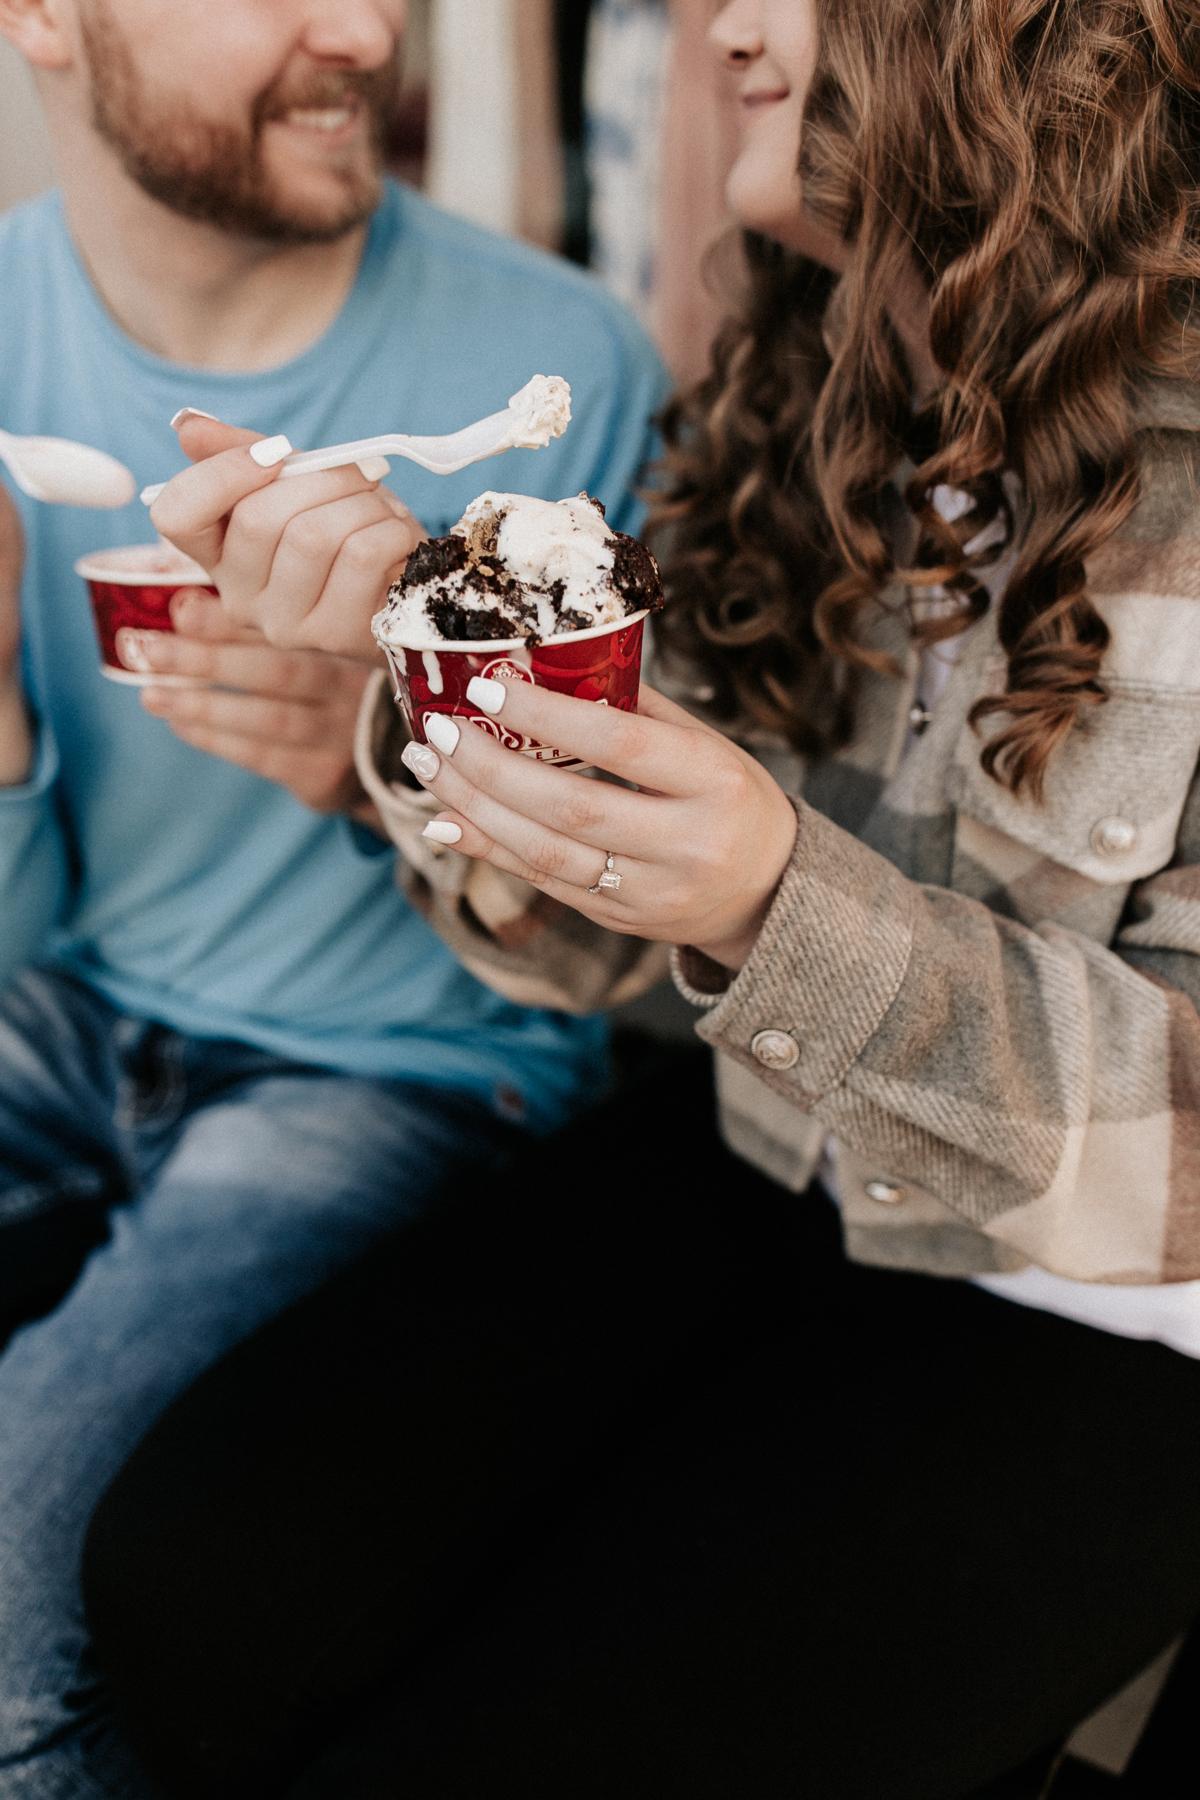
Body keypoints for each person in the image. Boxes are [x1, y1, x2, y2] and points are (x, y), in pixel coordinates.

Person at [83, 0, 1200, 1795]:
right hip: (765, 1141)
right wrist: (414, 704)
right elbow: (655, 932)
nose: (713, 29)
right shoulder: (818, 373)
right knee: (186, 1592)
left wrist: (777, 900)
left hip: (1106, 1309)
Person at [0, 0, 665, 1790]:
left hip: (392, 1067)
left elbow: (629, 949)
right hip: (55, 1002)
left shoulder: (560, 367)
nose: (366, 28)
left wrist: (391, 758)